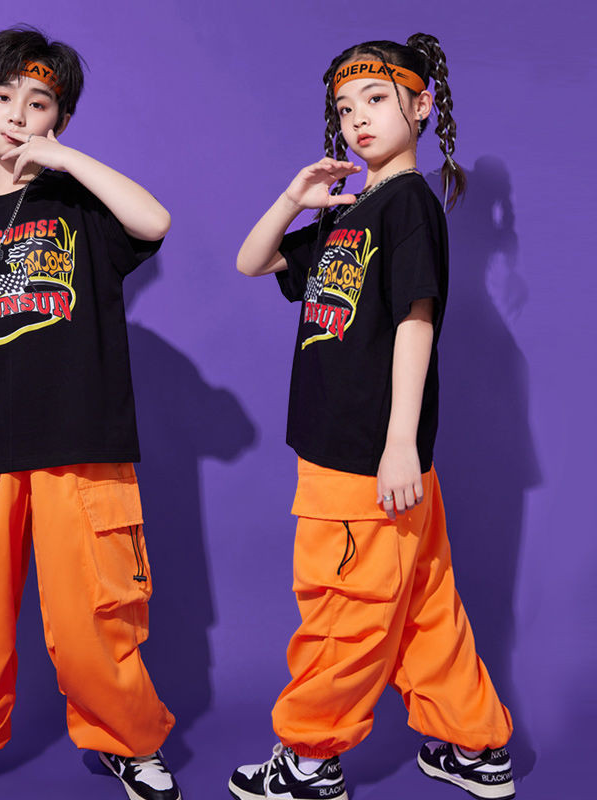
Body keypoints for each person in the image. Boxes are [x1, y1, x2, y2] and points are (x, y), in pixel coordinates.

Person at [227, 34, 514, 800]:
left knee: (342, 613)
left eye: (377, 100)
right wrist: (295, 198)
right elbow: (253, 262)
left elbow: (417, 320)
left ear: (421, 106)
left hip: (362, 456)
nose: (358, 118)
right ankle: (474, 745)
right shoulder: (351, 213)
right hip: (362, 454)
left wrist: (398, 444)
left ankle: (310, 761)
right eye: (345, 107)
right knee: (423, 606)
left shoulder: (409, 204)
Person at [0, 26, 181, 800]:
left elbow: (154, 221)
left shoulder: (79, 204)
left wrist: (66, 160)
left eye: (39, 103)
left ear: (59, 119)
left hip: (81, 443)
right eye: (4, 98)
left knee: (97, 613)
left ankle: (127, 741)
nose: (18, 115)